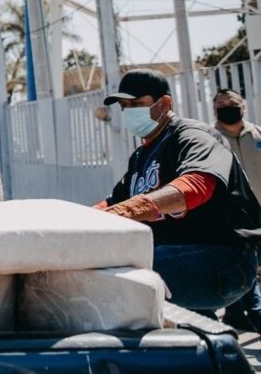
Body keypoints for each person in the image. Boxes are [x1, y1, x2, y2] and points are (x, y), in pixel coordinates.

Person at [97, 69, 261, 315]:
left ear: (164, 103)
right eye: (124, 105)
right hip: (181, 257)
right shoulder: (141, 156)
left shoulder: (192, 136)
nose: (129, 111)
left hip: (222, 259)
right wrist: (72, 222)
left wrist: (124, 212)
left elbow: (196, 186)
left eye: (137, 104)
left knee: (122, 277)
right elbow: (111, 203)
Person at [213, 89, 261, 329]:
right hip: (234, 215)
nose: (225, 107)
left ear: (243, 106)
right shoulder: (210, 138)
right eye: (220, 104)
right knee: (244, 261)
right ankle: (249, 310)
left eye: (231, 103)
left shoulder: (258, 134)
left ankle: (238, 312)